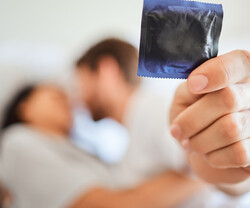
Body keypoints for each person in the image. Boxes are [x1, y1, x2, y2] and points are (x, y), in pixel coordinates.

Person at [75, 38, 250, 197]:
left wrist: (244, 168)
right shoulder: (133, 125)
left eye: (81, 81)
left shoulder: (150, 111)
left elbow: (207, 166)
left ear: (106, 70)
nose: (78, 97)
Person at [0, 84, 202, 208]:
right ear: (24, 108)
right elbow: (117, 204)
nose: (68, 102)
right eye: (56, 97)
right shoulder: (18, 142)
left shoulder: (82, 151)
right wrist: (204, 173)